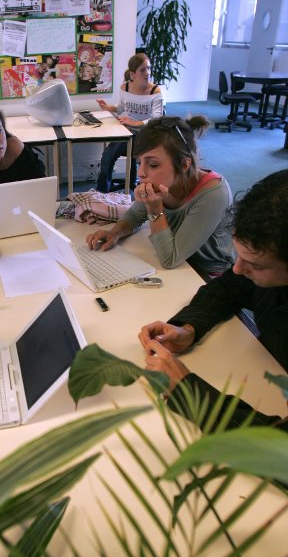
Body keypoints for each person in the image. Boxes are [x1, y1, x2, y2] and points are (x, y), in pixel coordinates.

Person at [138, 169, 288, 431]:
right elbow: (227, 288)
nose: (238, 268)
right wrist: (188, 328)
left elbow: (277, 444)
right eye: (239, 256)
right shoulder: (269, 261)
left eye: (256, 265)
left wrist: (187, 392)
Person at [86, 115, 234, 277]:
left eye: (153, 164)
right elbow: (134, 215)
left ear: (184, 164)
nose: (141, 173)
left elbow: (170, 259)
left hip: (206, 273)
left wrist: (154, 208)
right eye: (140, 162)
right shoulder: (164, 182)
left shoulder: (214, 194)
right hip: (176, 261)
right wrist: (114, 234)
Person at [95, 53, 164, 193]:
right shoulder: (125, 88)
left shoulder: (155, 91)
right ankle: (102, 193)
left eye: (149, 68)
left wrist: (137, 123)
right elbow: (121, 108)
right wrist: (108, 107)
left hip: (147, 133)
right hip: (127, 131)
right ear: (132, 74)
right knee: (107, 156)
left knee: (143, 159)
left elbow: (158, 118)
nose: (148, 73)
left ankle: (145, 190)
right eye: (143, 70)